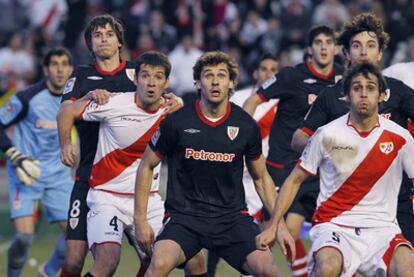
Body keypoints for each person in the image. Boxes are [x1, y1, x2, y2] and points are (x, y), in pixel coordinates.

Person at [58, 15, 204, 277]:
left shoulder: (137, 73)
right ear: (90, 44)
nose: (104, 39)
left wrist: (176, 101)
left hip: (140, 180)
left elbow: (162, 91)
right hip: (93, 177)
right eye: (97, 35)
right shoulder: (81, 75)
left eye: (109, 34)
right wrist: (67, 140)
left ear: (119, 41)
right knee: (74, 261)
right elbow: (66, 111)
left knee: (156, 258)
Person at [134, 51, 295, 277]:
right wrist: (140, 219)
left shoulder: (246, 125)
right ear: (198, 83)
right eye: (208, 75)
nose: (215, 81)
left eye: (222, 75)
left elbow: (261, 178)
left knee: (270, 271)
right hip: (184, 218)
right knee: (157, 266)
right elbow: (146, 165)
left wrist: (281, 226)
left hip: (231, 219)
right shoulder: (176, 122)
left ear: (231, 83)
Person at [259, 62, 414, 276]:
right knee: (328, 266)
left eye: (370, 88)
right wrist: (274, 224)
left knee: (408, 266)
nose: (363, 94)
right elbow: (295, 179)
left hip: (382, 228)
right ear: (347, 96)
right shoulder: (325, 134)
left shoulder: (401, 137)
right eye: (357, 88)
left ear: (382, 95)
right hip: (334, 225)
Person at [291, 13, 414, 246]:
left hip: (396, 201)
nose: (363, 52)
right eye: (356, 46)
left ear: (380, 53)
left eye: (370, 46)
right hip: (345, 204)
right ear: (346, 53)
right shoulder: (329, 96)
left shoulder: (399, 92)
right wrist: (329, 143)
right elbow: (298, 139)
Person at [243, 25, 343, 277]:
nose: (323, 47)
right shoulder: (290, 76)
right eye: (318, 42)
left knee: (319, 232)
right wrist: (241, 136)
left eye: (328, 42)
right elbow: (254, 99)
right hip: (285, 168)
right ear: (310, 49)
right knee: (275, 229)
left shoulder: (345, 79)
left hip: (323, 170)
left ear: (335, 48)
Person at [0, 47, 74, 276]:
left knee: (76, 235)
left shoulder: (74, 100)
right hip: (26, 173)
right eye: (54, 64)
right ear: (45, 69)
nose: (60, 69)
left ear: (71, 69)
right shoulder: (26, 98)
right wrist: (13, 153)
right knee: (23, 238)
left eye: (64, 64)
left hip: (58, 175)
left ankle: (50, 270)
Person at [207, 53, 280, 277]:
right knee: (222, 228)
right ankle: (210, 271)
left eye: (273, 70)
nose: (268, 74)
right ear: (256, 73)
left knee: (262, 236)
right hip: (234, 176)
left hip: (263, 177)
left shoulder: (282, 104)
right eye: (264, 69)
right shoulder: (236, 98)